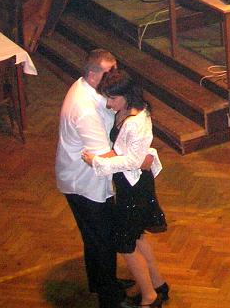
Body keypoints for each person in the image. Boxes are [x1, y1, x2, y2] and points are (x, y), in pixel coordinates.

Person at [82, 70, 168, 308]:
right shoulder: (126, 111)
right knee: (137, 237)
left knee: (125, 244)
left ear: (126, 95)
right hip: (129, 184)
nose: (109, 104)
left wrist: (97, 162)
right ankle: (157, 283)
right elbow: (126, 152)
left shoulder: (136, 122)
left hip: (134, 188)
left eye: (112, 98)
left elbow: (131, 161)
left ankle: (150, 297)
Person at [55, 49, 127, 308]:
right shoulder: (85, 109)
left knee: (94, 237)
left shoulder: (90, 88)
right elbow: (104, 158)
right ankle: (110, 299)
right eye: (110, 72)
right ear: (93, 74)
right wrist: (136, 158)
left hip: (83, 179)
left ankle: (101, 282)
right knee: (103, 239)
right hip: (84, 184)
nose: (115, 76)